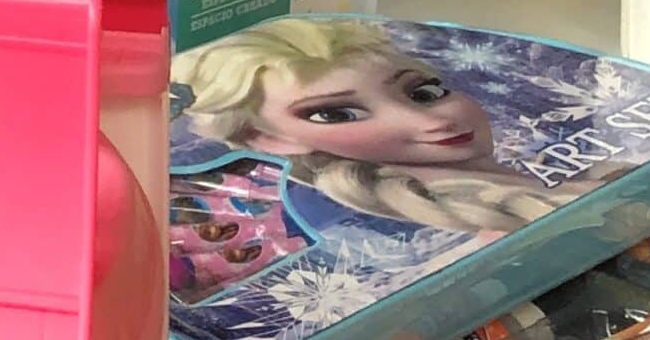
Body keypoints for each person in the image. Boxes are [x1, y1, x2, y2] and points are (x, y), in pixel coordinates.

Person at [173, 17, 569, 233]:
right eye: (335, 114)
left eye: (424, 93)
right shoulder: (363, 232)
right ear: (266, 139)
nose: (429, 120)